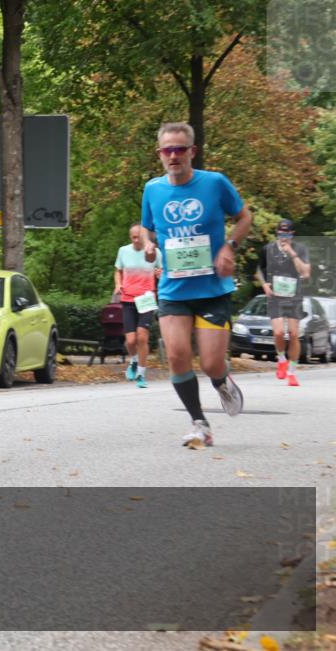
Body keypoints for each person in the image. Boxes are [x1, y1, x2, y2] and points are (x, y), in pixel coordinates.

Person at [140, 122, 253, 449]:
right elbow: (147, 229)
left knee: (210, 363)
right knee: (176, 356)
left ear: (192, 151)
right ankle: (199, 423)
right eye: (167, 150)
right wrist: (148, 245)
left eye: (179, 149)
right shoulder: (153, 189)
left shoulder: (215, 183)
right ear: (159, 154)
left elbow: (244, 217)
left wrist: (229, 246)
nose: (173, 156)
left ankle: (220, 379)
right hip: (174, 289)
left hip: (212, 290)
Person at [255, 219, 312, 386]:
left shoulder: (300, 249)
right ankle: (281, 359)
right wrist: (264, 284)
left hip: (294, 296)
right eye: (280, 233)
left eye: (286, 234)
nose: (283, 236)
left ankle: (292, 372)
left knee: (294, 334)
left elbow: (306, 273)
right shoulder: (268, 249)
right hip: (276, 295)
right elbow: (259, 270)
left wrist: (291, 253)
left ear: (292, 234)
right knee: (279, 333)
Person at [114, 224, 163, 388]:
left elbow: (162, 272)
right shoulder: (123, 251)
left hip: (147, 299)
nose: (136, 240)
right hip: (128, 298)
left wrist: (160, 275)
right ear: (130, 237)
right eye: (133, 237)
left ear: (144, 237)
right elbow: (117, 270)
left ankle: (141, 375)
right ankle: (133, 361)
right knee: (131, 340)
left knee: (142, 336)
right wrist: (118, 284)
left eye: (138, 237)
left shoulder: (154, 252)